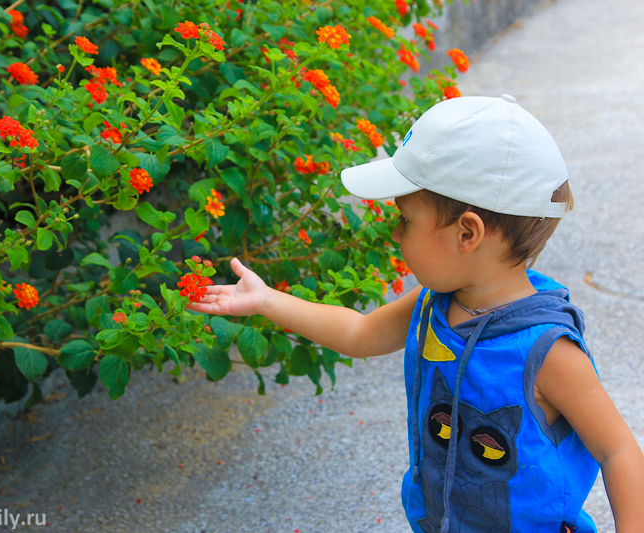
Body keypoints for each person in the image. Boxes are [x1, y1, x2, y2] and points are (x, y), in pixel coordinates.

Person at [184, 95, 644, 532]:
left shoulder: (547, 351)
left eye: (405, 219)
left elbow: (618, 449)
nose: (394, 232)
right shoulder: (435, 303)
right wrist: (267, 299)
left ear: (468, 233)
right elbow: (359, 332)